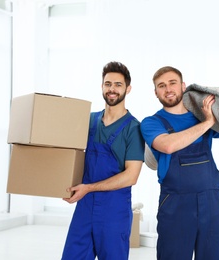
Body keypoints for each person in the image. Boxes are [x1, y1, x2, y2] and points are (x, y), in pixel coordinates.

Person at [140, 66, 219, 260]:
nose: (168, 89)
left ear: (183, 86)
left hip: (211, 202)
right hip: (176, 205)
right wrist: (207, 123)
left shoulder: (202, 115)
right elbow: (168, 145)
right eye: (161, 86)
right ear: (156, 93)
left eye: (172, 83)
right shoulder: (151, 122)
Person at [62, 61, 145, 260]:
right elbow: (66, 150)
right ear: (102, 87)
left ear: (128, 89)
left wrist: (89, 188)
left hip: (113, 212)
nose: (112, 89)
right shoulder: (88, 120)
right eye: (108, 84)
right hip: (85, 207)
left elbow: (131, 176)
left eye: (118, 84)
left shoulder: (134, 129)